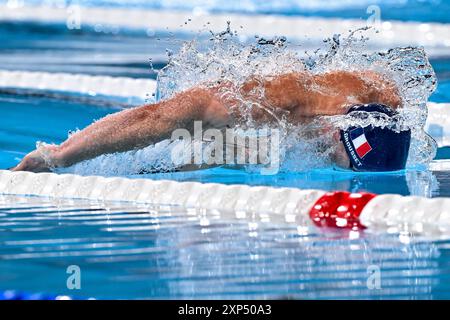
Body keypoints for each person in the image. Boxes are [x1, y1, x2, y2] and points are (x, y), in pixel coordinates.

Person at [11, 69, 410, 173]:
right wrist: (56, 156)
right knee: (189, 143)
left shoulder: (386, 103)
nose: (327, 153)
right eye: (334, 151)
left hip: (283, 127)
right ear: (334, 126)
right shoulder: (268, 99)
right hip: (224, 112)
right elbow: (153, 117)